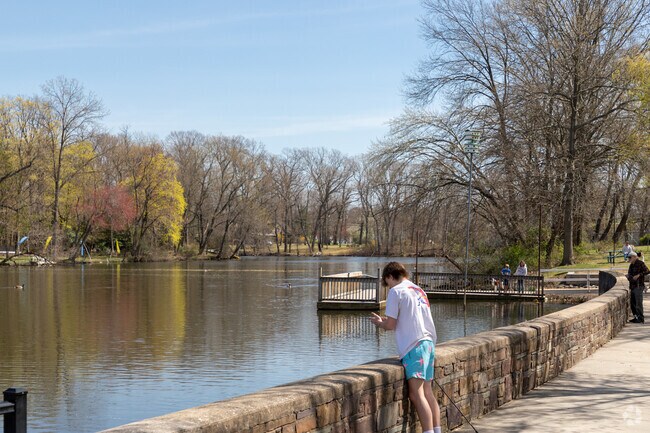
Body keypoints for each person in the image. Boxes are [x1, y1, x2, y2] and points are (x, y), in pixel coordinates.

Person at [370, 262, 441, 433]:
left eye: (387, 283)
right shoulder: (418, 290)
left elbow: (392, 324)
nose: (388, 287)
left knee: (416, 395)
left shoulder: (396, 291)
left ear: (389, 277)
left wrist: (381, 324)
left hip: (413, 345)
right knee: (428, 392)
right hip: (428, 343)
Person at [626, 252, 649, 323]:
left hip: (639, 286)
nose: (629, 259)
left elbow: (647, 271)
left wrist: (639, 275)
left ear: (634, 257)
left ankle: (641, 318)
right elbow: (629, 273)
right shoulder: (631, 265)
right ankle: (636, 317)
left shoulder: (640, 263)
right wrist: (628, 276)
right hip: (632, 286)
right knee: (633, 303)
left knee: (638, 303)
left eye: (630, 257)